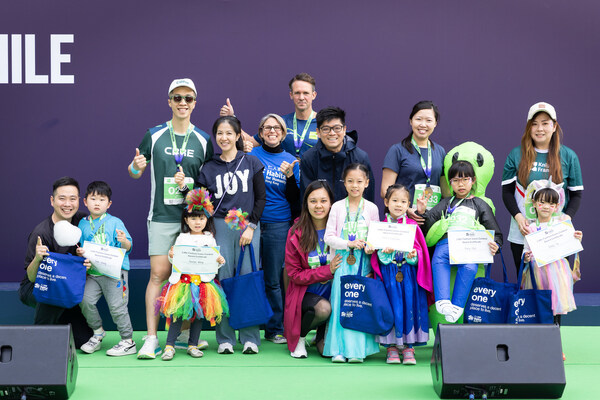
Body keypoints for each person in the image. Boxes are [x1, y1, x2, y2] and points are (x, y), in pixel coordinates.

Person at [128, 78, 214, 359]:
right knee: (158, 274)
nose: (182, 103)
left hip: (193, 221)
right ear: (169, 102)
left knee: (190, 277)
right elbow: (135, 172)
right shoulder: (154, 135)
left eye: (188, 98)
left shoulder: (203, 139)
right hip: (162, 216)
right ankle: (152, 337)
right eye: (177, 98)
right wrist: (135, 167)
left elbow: (207, 182)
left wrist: (189, 189)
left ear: (194, 103)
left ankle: (185, 335)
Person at [176, 116, 266, 354]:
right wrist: (184, 187)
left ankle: (250, 337)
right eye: (220, 133)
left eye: (229, 133)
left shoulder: (251, 162)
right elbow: (199, 201)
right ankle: (225, 338)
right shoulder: (209, 167)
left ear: (237, 135)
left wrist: (251, 226)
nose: (224, 138)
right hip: (219, 226)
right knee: (221, 279)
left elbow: (261, 198)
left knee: (247, 278)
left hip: (247, 227)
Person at [502, 102, 583, 273]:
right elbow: (507, 192)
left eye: (545, 123)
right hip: (523, 231)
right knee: (526, 281)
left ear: (554, 126)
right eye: (534, 124)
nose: (540, 129)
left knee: (557, 281)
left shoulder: (569, 156)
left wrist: (565, 219)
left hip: (556, 232)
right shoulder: (516, 154)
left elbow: (576, 195)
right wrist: (519, 218)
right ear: (528, 127)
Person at [417, 160, 502, 323]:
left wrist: (496, 244)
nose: (460, 184)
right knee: (438, 260)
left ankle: (457, 305)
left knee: (470, 267)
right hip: (445, 245)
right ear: (450, 183)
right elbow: (429, 221)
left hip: (468, 249)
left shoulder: (480, 204)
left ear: (473, 180)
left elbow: (494, 230)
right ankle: (442, 300)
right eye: (455, 180)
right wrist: (421, 212)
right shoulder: (446, 202)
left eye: (465, 179)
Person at [20, 177, 93, 348]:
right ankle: (39, 340)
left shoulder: (84, 222)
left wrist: (90, 264)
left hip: (68, 286)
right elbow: (31, 277)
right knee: (53, 291)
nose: (67, 204)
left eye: (72, 199)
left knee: (83, 340)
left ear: (79, 201)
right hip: (38, 285)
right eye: (62, 198)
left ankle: (61, 319)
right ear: (52, 201)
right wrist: (38, 258)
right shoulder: (41, 232)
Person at [157, 188, 228, 361]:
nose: (198, 222)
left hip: (202, 285)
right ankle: (169, 346)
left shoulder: (210, 238)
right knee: (177, 314)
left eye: (201, 218)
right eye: (194, 218)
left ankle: (192, 345)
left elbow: (214, 261)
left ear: (207, 219)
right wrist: (171, 255)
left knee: (198, 316)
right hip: (183, 283)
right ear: (186, 220)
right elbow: (176, 260)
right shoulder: (182, 238)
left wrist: (219, 260)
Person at [249, 114, 300, 344]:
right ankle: (248, 329)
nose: (272, 131)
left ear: (283, 133)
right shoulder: (251, 155)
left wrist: (289, 177)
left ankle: (275, 329)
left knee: (273, 280)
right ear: (260, 132)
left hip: (278, 224)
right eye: (267, 127)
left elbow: (295, 198)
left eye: (277, 127)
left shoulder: (291, 160)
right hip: (251, 224)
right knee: (249, 276)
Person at [323, 164, 380, 363]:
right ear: (344, 183)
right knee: (341, 304)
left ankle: (357, 351)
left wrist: (371, 247)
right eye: (350, 181)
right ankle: (338, 349)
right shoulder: (337, 207)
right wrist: (348, 244)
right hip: (342, 264)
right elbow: (328, 237)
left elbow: (375, 238)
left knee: (360, 305)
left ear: (367, 183)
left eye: (359, 181)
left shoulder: (372, 208)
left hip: (363, 265)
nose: (355, 185)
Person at [372, 184, 432, 365]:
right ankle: (391, 347)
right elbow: (377, 258)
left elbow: (420, 253)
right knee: (391, 308)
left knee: (408, 306)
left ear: (408, 205)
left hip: (408, 274)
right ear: (386, 202)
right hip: (388, 274)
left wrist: (413, 256)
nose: (399, 205)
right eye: (395, 200)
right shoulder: (380, 227)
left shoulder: (413, 226)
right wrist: (385, 254)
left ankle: (408, 347)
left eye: (403, 202)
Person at [76, 181, 135, 356]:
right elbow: (81, 247)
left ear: (109, 204)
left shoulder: (115, 222)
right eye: (93, 199)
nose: (97, 203)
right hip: (93, 273)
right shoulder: (82, 224)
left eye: (102, 200)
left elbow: (128, 247)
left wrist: (124, 241)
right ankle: (98, 332)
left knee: (117, 307)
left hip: (115, 273)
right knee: (84, 300)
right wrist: (80, 252)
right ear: (85, 201)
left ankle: (128, 341)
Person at [284, 181, 342, 358]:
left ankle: (321, 335)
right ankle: (300, 337)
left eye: (323, 201)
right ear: (306, 204)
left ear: (331, 203)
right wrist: (327, 271)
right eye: (313, 201)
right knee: (323, 308)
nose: (318, 206)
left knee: (326, 352)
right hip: (304, 296)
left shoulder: (340, 230)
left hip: (334, 295)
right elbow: (294, 274)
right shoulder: (296, 232)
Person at [521, 180, 582, 323]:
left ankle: (556, 328)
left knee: (556, 302)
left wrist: (577, 238)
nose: (546, 207)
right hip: (536, 272)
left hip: (557, 272)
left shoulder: (560, 225)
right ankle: (540, 332)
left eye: (551, 204)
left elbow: (570, 244)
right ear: (534, 203)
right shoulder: (530, 228)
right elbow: (526, 249)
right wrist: (526, 256)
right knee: (538, 304)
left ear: (556, 206)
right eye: (542, 202)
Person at [219, 73, 319, 158]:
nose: (301, 97)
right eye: (297, 93)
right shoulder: (281, 123)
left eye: (306, 93)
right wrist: (231, 118)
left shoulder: (322, 123)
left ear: (313, 95)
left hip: (313, 175)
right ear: (291, 95)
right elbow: (250, 141)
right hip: (284, 174)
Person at [380, 101, 446, 223]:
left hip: (432, 219)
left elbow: (445, 191)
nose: (423, 124)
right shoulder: (397, 150)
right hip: (404, 219)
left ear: (435, 123)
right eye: (418, 119)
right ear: (411, 121)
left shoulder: (440, 151)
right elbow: (385, 190)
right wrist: (406, 210)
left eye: (429, 120)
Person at [300, 107, 376, 202]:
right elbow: (306, 198)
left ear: (344, 130)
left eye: (337, 128)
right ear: (318, 132)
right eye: (326, 129)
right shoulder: (309, 158)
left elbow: (367, 198)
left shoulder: (360, 158)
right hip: (320, 211)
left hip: (352, 211)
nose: (332, 133)